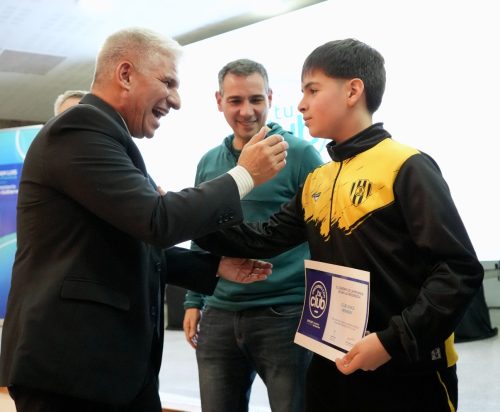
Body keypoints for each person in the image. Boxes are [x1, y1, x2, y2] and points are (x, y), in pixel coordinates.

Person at [0, 27, 289, 412]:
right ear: (125, 74)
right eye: (168, 82)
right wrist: (244, 175)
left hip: (109, 372)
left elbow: (131, 242)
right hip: (71, 370)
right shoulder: (79, 129)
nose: (177, 100)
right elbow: (157, 221)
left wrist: (216, 266)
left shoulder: (109, 139)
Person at [194, 39, 484, 412]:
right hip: (332, 361)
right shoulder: (319, 179)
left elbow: (459, 270)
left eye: (312, 90)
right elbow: (259, 239)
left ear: (352, 91)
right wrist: (187, 215)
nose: (301, 104)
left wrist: (392, 341)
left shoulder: (407, 166)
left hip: (406, 368)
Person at [183, 59, 323, 412]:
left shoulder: (300, 154)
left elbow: (325, 232)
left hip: (287, 313)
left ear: (270, 98)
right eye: (235, 100)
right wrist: (193, 300)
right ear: (219, 101)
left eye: (256, 99)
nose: (247, 111)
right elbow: (201, 232)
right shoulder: (209, 162)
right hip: (219, 314)